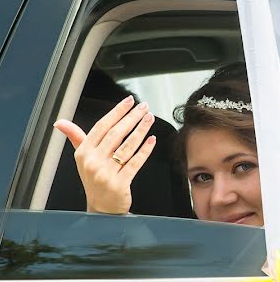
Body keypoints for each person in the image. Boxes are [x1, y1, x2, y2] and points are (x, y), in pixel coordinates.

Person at [54, 63, 262, 226]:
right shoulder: (178, 269)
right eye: (202, 177)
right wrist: (105, 211)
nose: (219, 198)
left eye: (243, 166)